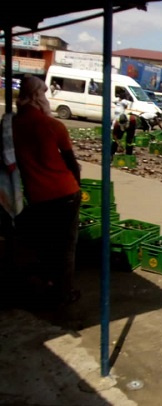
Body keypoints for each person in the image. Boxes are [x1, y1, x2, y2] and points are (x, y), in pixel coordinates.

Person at [11, 76, 82, 305]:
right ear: (38, 97)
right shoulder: (53, 126)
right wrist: (77, 187)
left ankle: (45, 284)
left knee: (43, 242)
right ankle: (64, 292)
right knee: (66, 246)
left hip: (37, 197)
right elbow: (72, 164)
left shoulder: (12, 124)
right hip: (65, 193)